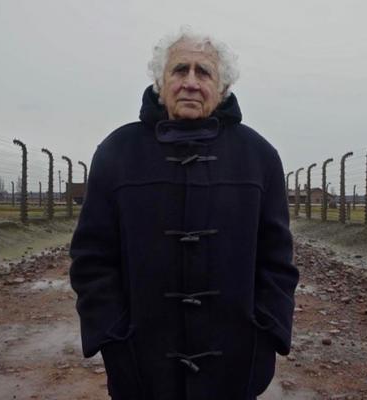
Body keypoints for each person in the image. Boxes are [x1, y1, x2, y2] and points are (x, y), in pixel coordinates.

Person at [69, 28, 299, 400]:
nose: (190, 82)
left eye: (203, 72)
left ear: (222, 86)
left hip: (235, 364)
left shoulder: (259, 158)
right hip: (140, 365)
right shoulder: (117, 153)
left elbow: (277, 261)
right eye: (180, 70)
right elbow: (92, 259)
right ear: (161, 82)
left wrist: (266, 334)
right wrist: (112, 338)